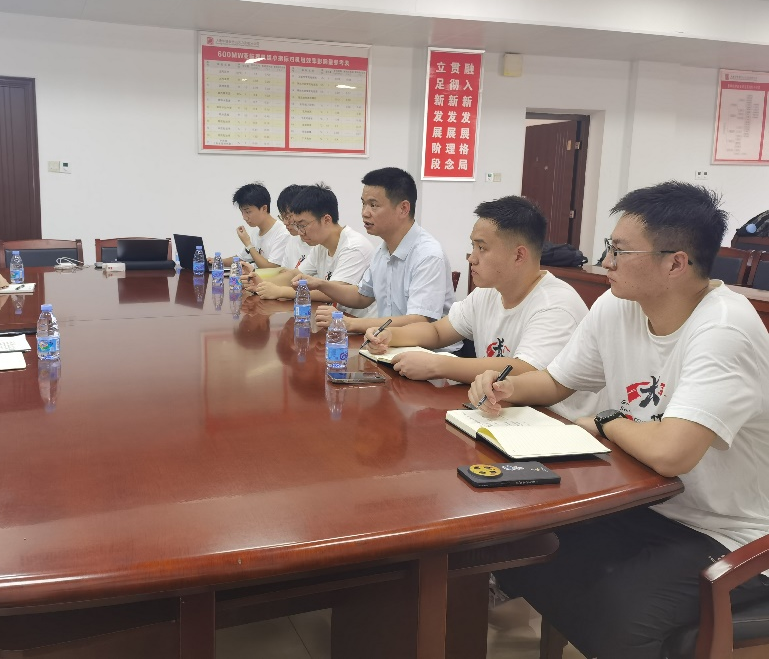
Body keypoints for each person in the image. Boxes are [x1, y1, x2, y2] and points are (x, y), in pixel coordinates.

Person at [469, 182, 769, 659]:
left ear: (675, 263)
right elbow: (558, 381)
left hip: (728, 532)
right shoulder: (617, 305)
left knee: (617, 613)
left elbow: (671, 453)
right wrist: (504, 388)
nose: (605, 261)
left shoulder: (724, 329)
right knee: (525, 549)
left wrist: (605, 420)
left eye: (620, 251)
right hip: (646, 502)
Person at [365, 196, 595, 416]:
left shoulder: (555, 305)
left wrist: (437, 365)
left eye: (482, 248)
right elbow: (438, 331)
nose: (471, 258)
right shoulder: (488, 292)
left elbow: (525, 370)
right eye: (473, 246)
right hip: (501, 411)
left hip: (555, 422)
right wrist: (390, 336)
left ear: (518, 255)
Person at [295, 167, 455, 336]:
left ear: (403, 208)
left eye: (373, 205)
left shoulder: (428, 255)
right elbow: (362, 296)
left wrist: (350, 323)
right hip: (387, 342)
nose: (365, 213)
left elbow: (419, 320)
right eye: (363, 204)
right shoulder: (382, 250)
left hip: (426, 349)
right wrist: (321, 284)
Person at [253, 184, 374, 317]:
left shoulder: (353, 247)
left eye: (303, 225)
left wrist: (280, 291)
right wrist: (260, 284)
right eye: (297, 226)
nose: (300, 232)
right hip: (332, 318)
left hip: (358, 323)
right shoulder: (320, 246)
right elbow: (295, 275)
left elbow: (332, 293)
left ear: (326, 220)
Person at [230, 182, 290, 269]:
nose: (244, 217)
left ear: (264, 208)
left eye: (248, 212)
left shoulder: (283, 232)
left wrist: (248, 244)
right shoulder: (255, 231)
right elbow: (240, 258)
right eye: (242, 212)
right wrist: (215, 260)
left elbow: (270, 268)